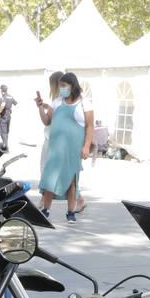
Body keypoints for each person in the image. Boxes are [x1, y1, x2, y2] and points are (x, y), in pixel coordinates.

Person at [37, 71, 93, 223]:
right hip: (56, 148)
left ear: (72, 86)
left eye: (63, 85)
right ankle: (46, 210)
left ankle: (70, 212)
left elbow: (89, 127)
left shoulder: (85, 103)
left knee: (72, 181)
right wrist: (40, 107)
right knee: (50, 177)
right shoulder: (57, 101)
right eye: (60, 85)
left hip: (73, 149)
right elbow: (47, 121)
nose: (61, 88)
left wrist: (86, 147)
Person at [0, 84, 16, 151]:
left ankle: (5, 146)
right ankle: (6, 144)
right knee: (7, 131)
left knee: (3, 131)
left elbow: (3, 104)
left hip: (4, 115)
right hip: (9, 116)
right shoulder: (10, 97)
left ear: (2, 90)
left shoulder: (3, 96)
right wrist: (10, 111)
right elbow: (16, 104)